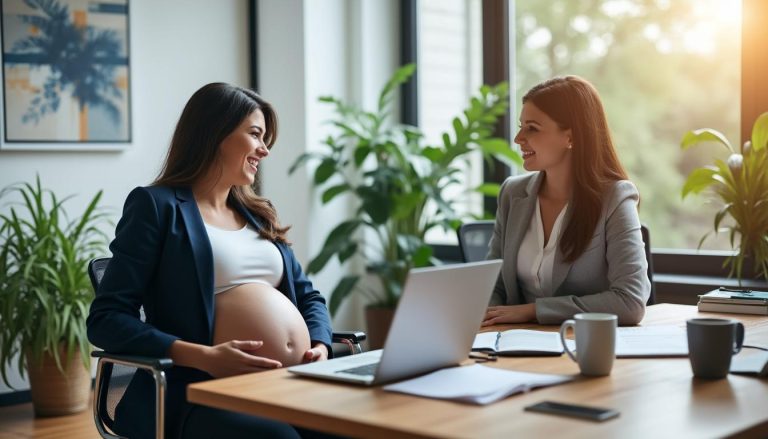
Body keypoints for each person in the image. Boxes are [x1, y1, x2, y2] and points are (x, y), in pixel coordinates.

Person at [87, 83, 334, 439]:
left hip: (290, 383)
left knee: (362, 424)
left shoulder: (259, 215)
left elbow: (309, 297)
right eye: (255, 134)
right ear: (216, 133)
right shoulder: (157, 207)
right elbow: (106, 320)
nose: (264, 149)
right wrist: (204, 356)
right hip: (199, 390)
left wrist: (321, 345)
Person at [482, 76, 650, 327]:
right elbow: (493, 285)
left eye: (532, 128)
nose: (518, 138)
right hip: (513, 340)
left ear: (570, 137)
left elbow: (630, 301)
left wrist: (533, 311)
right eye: (521, 126)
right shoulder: (512, 193)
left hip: (581, 341)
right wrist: (489, 317)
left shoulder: (615, 198)